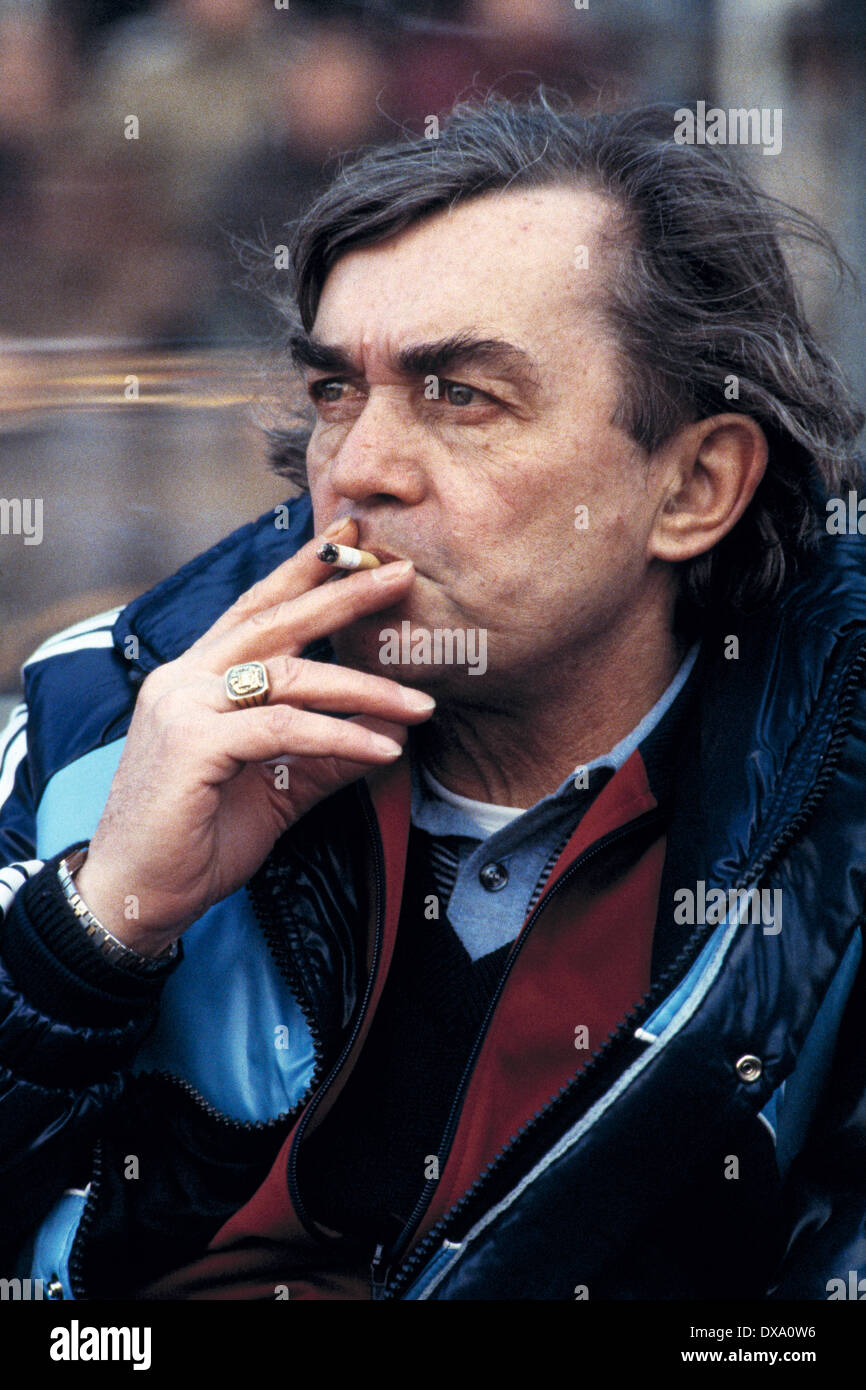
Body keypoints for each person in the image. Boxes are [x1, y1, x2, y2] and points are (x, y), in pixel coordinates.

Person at [1, 93, 864, 1302]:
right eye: (333, 394)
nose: (356, 470)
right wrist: (96, 927)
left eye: (460, 396)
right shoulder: (106, 703)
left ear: (693, 487)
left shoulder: (835, 811)